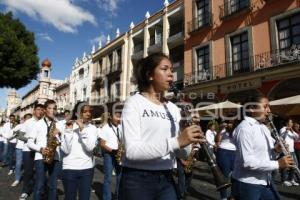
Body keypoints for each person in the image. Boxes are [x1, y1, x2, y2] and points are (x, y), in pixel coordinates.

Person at [119, 53, 205, 200]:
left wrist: (186, 134)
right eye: (165, 69)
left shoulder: (173, 108)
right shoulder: (134, 102)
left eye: (171, 69)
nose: (171, 74)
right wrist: (177, 141)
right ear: (149, 75)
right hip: (137, 180)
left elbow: (183, 154)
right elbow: (132, 152)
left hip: (167, 177)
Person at [232, 94, 294, 200]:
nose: (269, 110)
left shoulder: (263, 127)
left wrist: (277, 150)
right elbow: (247, 162)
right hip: (248, 184)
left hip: (266, 181)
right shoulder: (244, 129)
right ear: (251, 108)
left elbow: (266, 155)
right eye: (265, 107)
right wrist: (278, 164)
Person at [61, 103, 97, 200]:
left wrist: (82, 129)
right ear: (77, 114)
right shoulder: (68, 126)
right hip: (69, 168)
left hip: (87, 169)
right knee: (70, 197)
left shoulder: (93, 128)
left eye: (90, 111)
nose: (88, 114)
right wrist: (68, 131)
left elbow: (90, 148)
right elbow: (66, 150)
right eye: (85, 111)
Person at [27, 100, 62, 200]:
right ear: (45, 110)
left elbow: (61, 142)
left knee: (53, 187)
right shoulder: (37, 124)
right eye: (50, 108)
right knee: (39, 185)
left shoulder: (59, 124)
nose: (52, 111)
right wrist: (40, 149)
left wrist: (59, 137)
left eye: (54, 108)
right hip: (40, 157)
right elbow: (29, 143)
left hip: (55, 157)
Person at [99, 111, 122, 200]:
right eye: (116, 116)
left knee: (120, 178)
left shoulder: (121, 127)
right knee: (108, 178)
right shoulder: (105, 128)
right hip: (109, 154)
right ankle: (106, 198)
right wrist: (112, 151)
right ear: (111, 117)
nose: (118, 119)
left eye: (119, 117)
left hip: (119, 154)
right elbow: (102, 144)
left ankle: (118, 196)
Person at [215, 120, 237, 200]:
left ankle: (232, 196)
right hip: (224, 151)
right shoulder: (223, 129)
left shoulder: (238, 129)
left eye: (230, 122)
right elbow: (217, 140)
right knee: (223, 177)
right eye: (227, 122)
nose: (228, 124)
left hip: (235, 153)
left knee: (235, 177)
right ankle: (224, 198)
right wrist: (219, 130)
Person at [11, 113, 33, 187]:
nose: (29, 120)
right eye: (27, 118)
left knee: (29, 166)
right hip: (20, 147)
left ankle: (29, 180)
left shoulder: (34, 126)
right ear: (24, 119)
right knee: (18, 164)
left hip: (29, 148)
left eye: (30, 118)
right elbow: (13, 132)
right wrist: (16, 135)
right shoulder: (20, 126)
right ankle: (17, 179)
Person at [280, 119, 299, 186]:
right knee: (286, 165)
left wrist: (292, 131)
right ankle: (284, 180)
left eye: (292, 122)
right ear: (287, 123)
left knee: (295, 165)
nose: (292, 123)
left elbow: (297, 137)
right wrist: (286, 131)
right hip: (285, 150)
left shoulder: (291, 131)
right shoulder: (283, 129)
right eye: (291, 122)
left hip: (292, 150)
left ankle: (291, 179)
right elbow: (281, 137)